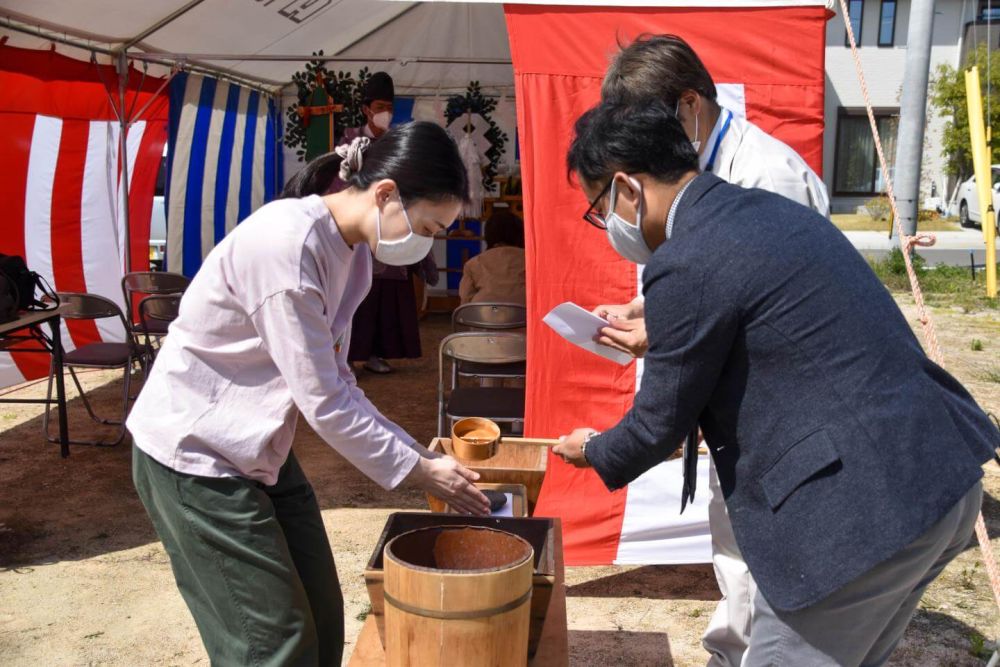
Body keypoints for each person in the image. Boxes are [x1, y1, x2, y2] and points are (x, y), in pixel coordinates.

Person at [554, 98, 999, 666]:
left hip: (858, 517)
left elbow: (656, 427)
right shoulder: (762, 209)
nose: (605, 225)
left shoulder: (686, 258)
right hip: (936, 473)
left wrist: (590, 448)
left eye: (599, 208)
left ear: (626, 188)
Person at [128, 121, 491, 666]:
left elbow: (339, 379)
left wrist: (418, 455)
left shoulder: (354, 253)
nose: (427, 243)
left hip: (253, 445)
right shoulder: (288, 249)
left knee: (322, 617)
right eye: (429, 227)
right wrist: (418, 471)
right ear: (386, 193)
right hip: (196, 454)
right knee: (273, 643)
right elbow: (323, 401)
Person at [594, 34, 830, 666]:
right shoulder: (697, 173)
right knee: (734, 544)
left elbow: (769, 305)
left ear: (689, 105)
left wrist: (666, 339)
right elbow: (712, 280)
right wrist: (652, 311)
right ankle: (734, 652)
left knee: (767, 552)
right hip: (741, 407)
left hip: (781, 408)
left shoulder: (765, 177)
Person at [339, 71, 427, 375]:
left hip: (390, 225)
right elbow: (342, 181)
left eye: (388, 106)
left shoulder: (397, 141)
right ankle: (347, 356)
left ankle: (376, 353)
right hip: (360, 226)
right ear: (366, 109)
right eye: (379, 106)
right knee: (355, 292)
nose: (384, 112)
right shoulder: (350, 139)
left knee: (385, 293)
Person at [459, 208, 526, 305]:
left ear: (488, 235)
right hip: (522, 315)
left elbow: (466, 299)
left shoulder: (474, 263)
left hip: (483, 316)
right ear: (521, 234)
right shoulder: (531, 260)